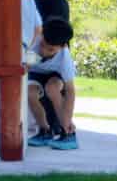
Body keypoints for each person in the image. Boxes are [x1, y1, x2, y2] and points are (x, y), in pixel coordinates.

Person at [27, 18, 79, 151]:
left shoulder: (64, 59)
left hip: (54, 75)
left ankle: (68, 133)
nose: (44, 50)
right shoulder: (35, 43)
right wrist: (35, 56)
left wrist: (67, 120)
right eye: (43, 45)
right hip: (35, 73)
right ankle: (45, 130)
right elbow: (26, 68)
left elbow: (70, 91)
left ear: (63, 46)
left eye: (50, 50)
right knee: (30, 93)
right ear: (42, 35)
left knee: (52, 88)